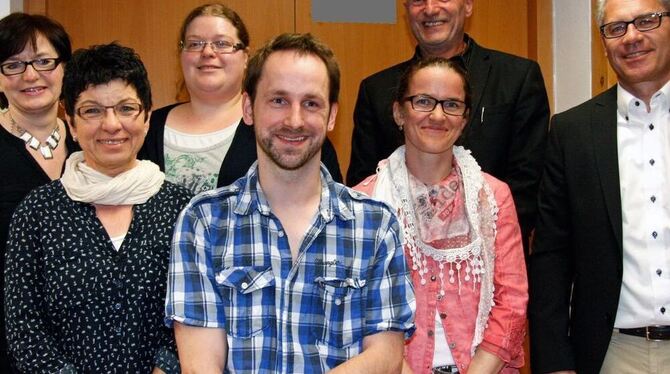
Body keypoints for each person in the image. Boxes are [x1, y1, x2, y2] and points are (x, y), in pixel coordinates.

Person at [165, 33, 415, 373]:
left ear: (331, 116)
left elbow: (385, 358)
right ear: (249, 108)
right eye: (278, 100)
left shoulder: (375, 225)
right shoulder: (204, 222)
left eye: (311, 103)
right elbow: (200, 367)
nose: (294, 120)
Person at [4, 43, 192, 373]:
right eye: (92, 111)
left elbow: (195, 311)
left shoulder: (182, 209)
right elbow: (24, 327)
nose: (111, 124)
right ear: (71, 122)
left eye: (126, 108)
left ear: (147, 116)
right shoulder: (37, 213)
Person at [355, 57, 527, 374]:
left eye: (451, 104)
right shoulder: (365, 202)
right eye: (423, 101)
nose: (437, 115)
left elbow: (512, 301)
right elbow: (362, 309)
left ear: (464, 120)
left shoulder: (492, 196)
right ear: (398, 112)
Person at [528, 0, 670, 373]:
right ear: (603, 42)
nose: (632, 37)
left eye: (647, 21)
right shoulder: (572, 133)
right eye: (616, 28)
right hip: (614, 352)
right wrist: (556, 362)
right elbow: (551, 258)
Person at [347, 0, 549, 254]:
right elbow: (364, 186)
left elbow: (528, 185)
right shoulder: (377, 90)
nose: (430, 9)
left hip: (492, 259)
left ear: (467, 5)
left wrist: (479, 252)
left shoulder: (517, 78)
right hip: (397, 265)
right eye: (418, 0)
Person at [139, 3, 342, 194]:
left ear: (245, 57)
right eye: (195, 43)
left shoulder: (289, 132)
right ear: (181, 54)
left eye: (221, 43)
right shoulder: (146, 128)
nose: (208, 52)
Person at [0, 12, 76, 372]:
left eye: (44, 61)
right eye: (13, 65)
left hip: (88, 342)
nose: (31, 75)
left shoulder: (97, 142)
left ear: (65, 67)